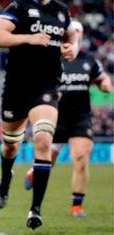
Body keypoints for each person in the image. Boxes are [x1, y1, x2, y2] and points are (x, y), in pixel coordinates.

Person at [0, 0, 80, 229]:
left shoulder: (61, 12)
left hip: (47, 87)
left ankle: (35, 209)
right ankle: (6, 180)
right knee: (10, 147)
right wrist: (29, 38)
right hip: (16, 89)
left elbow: (72, 33)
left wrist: (72, 47)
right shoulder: (18, 7)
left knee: (42, 140)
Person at [24, 21, 112, 218]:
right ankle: (34, 172)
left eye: (78, 32)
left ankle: (76, 206)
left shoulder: (89, 61)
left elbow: (102, 78)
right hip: (55, 116)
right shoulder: (52, 59)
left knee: (81, 158)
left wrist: (106, 85)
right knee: (49, 160)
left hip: (81, 117)